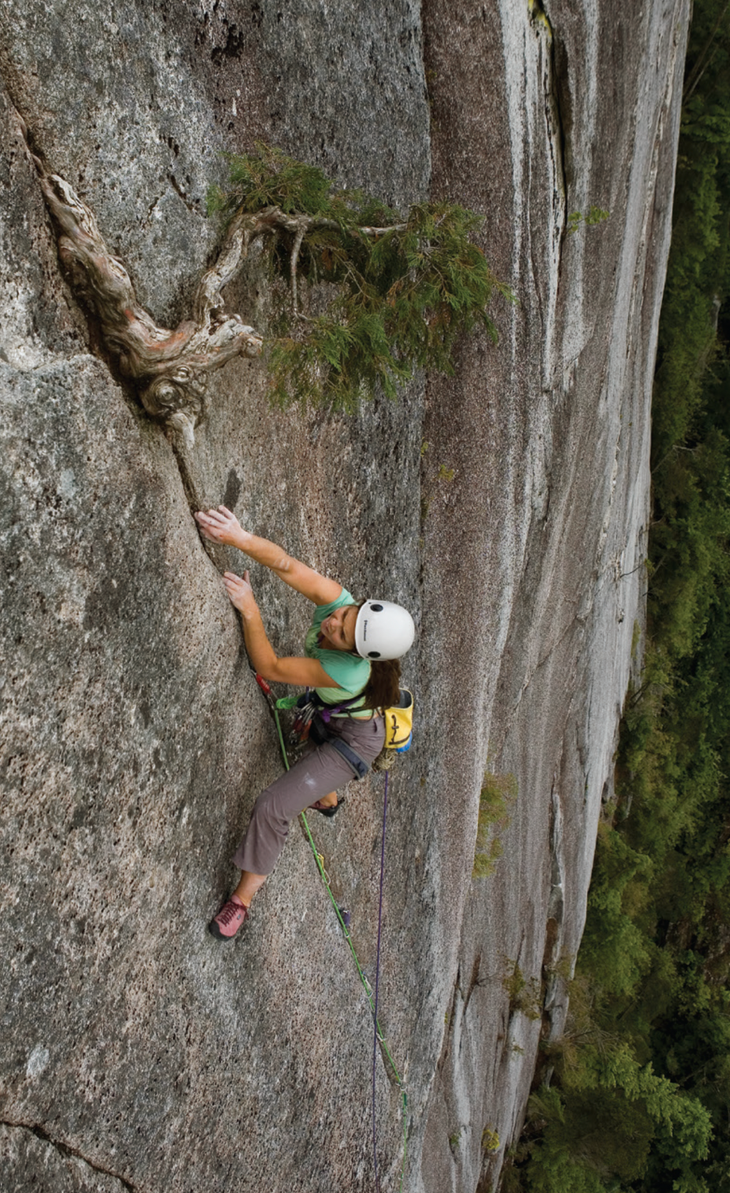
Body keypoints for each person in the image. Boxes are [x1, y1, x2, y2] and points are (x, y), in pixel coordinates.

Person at [194, 506, 416, 941]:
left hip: (355, 742)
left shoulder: (348, 672)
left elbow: (272, 666)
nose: (332, 621)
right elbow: (288, 566)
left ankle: (241, 902)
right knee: (309, 755)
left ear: (358, 654)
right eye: (344, 615)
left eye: (340, 633)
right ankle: (328, 801)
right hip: (336, 715)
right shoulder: (341, 603)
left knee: (273, 806)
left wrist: (250, 609)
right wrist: (239, 537)